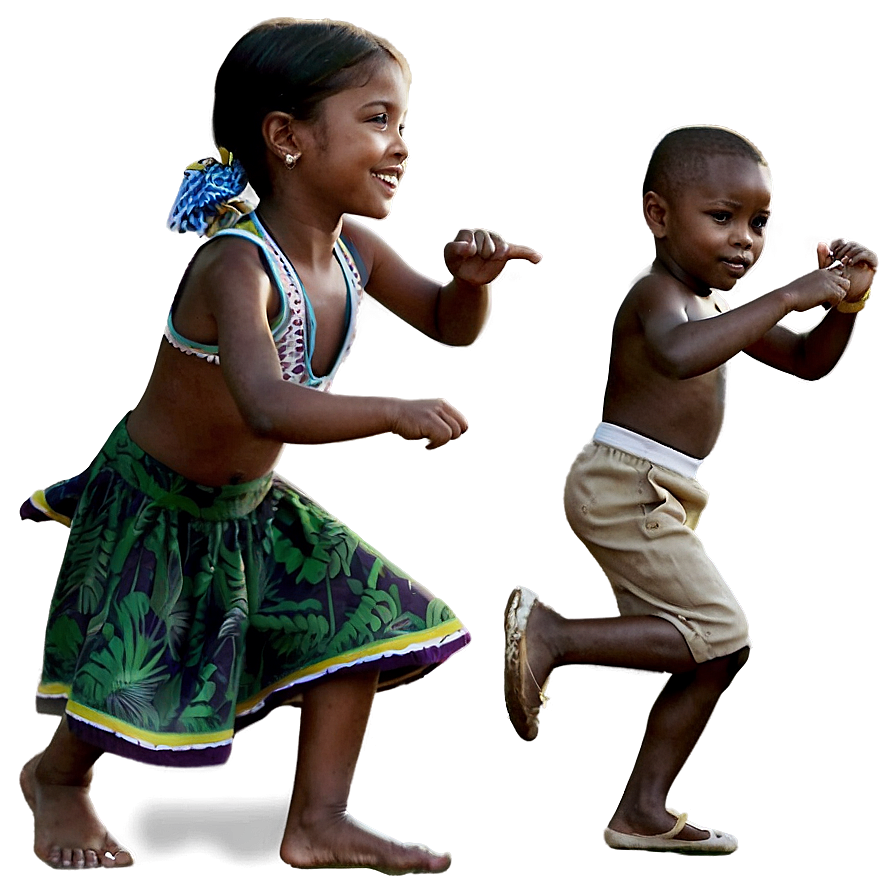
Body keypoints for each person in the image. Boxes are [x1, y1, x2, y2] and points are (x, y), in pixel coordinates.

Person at [19, 17, 541, 873]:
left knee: (363, 621)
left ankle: (320, 819)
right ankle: (56, 779)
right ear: (286, 137)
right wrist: (390, 413)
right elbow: (264, 404)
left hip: (248, 506)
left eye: (403, 125)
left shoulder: (354, 254)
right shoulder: (237, 266)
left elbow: (449, 325)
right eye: (378, 120)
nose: (402, 146)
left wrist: (471, 287)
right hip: (156, 503)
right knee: (134, 663)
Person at [503, 125, 877, 854]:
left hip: (665, 493)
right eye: (723, 217)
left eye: (759, 223)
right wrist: (791, 292)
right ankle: (552, 635)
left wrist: (843, 306)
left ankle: (642, 808)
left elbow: (806, 362)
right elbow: (676, 357)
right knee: (723, 632)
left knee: (720, 653)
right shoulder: (657, 297)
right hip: (623, 486)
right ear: (657, 215)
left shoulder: (712, 308)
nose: (745, 240)